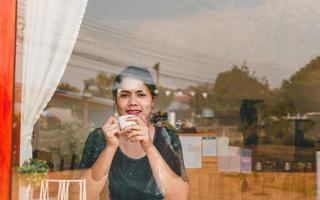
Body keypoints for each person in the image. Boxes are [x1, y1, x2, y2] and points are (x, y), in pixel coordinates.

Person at [79, 66, 189, 200]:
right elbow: (79, 196)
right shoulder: (99, 137)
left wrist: (149, 146)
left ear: (152, 100)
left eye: (141, 95)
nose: (132, 102)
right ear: (115, 100)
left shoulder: (167, 137)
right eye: (124, 95)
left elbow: (179, 197)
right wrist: (109, 148)